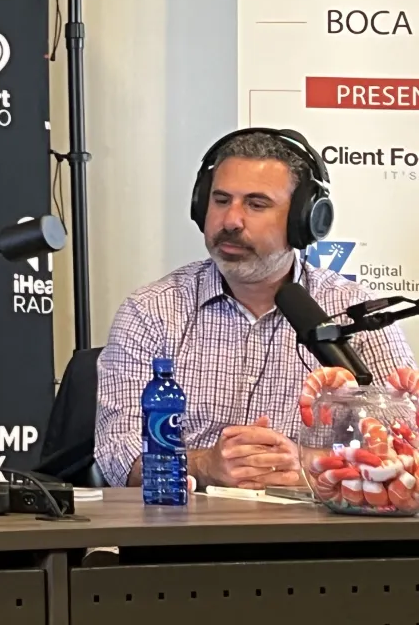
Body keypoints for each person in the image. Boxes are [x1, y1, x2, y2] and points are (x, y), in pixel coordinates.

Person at [95, 128, 416, 489]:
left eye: (256, 204)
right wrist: (203, 465)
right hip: (183, 537)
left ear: (305, 220)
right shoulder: (151, 311)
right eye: (220, 200)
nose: (231, 220)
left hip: (317, 539)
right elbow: (115, 455)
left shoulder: (351, 314)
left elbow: (408, 448)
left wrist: (306, 462)